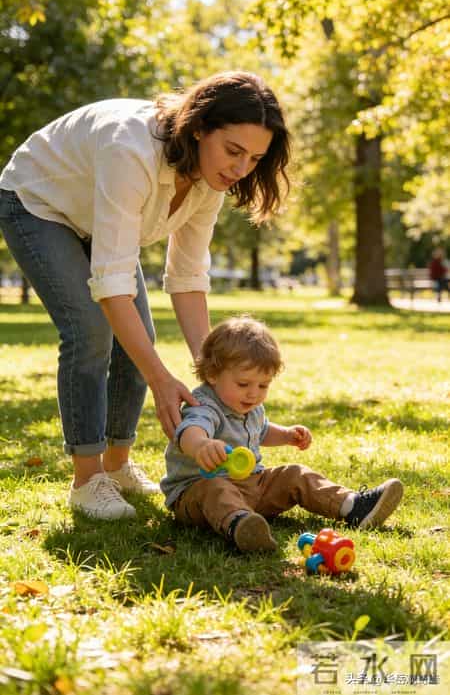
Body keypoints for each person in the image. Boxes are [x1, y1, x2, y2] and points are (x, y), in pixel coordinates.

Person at [0, 71, 290, 520]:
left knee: (141, 339)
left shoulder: (209, 181)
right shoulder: (129, 150)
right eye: (233, 150)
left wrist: (217, 372)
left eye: (254, 158)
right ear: (199, 128)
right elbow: (112, 284)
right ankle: (86, 479)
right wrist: (161, 379)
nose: (240, 169)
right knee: (90, 331)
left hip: (95, 218)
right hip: (37, 202)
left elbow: (189, 277)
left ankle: (117, 468)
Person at [161, 317, 404, 552]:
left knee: (295, 474)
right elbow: (189, 431)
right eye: (243, 384)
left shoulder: (250, 407)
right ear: (213, 375)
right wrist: (201, 444)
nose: (253, 394)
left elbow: (262, 431)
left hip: (252, 487)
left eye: (263, 386)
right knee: (217, 488)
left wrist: (286, 435)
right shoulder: (204, 405)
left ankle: (353, 506)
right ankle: (240, 525)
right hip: (197, 495)